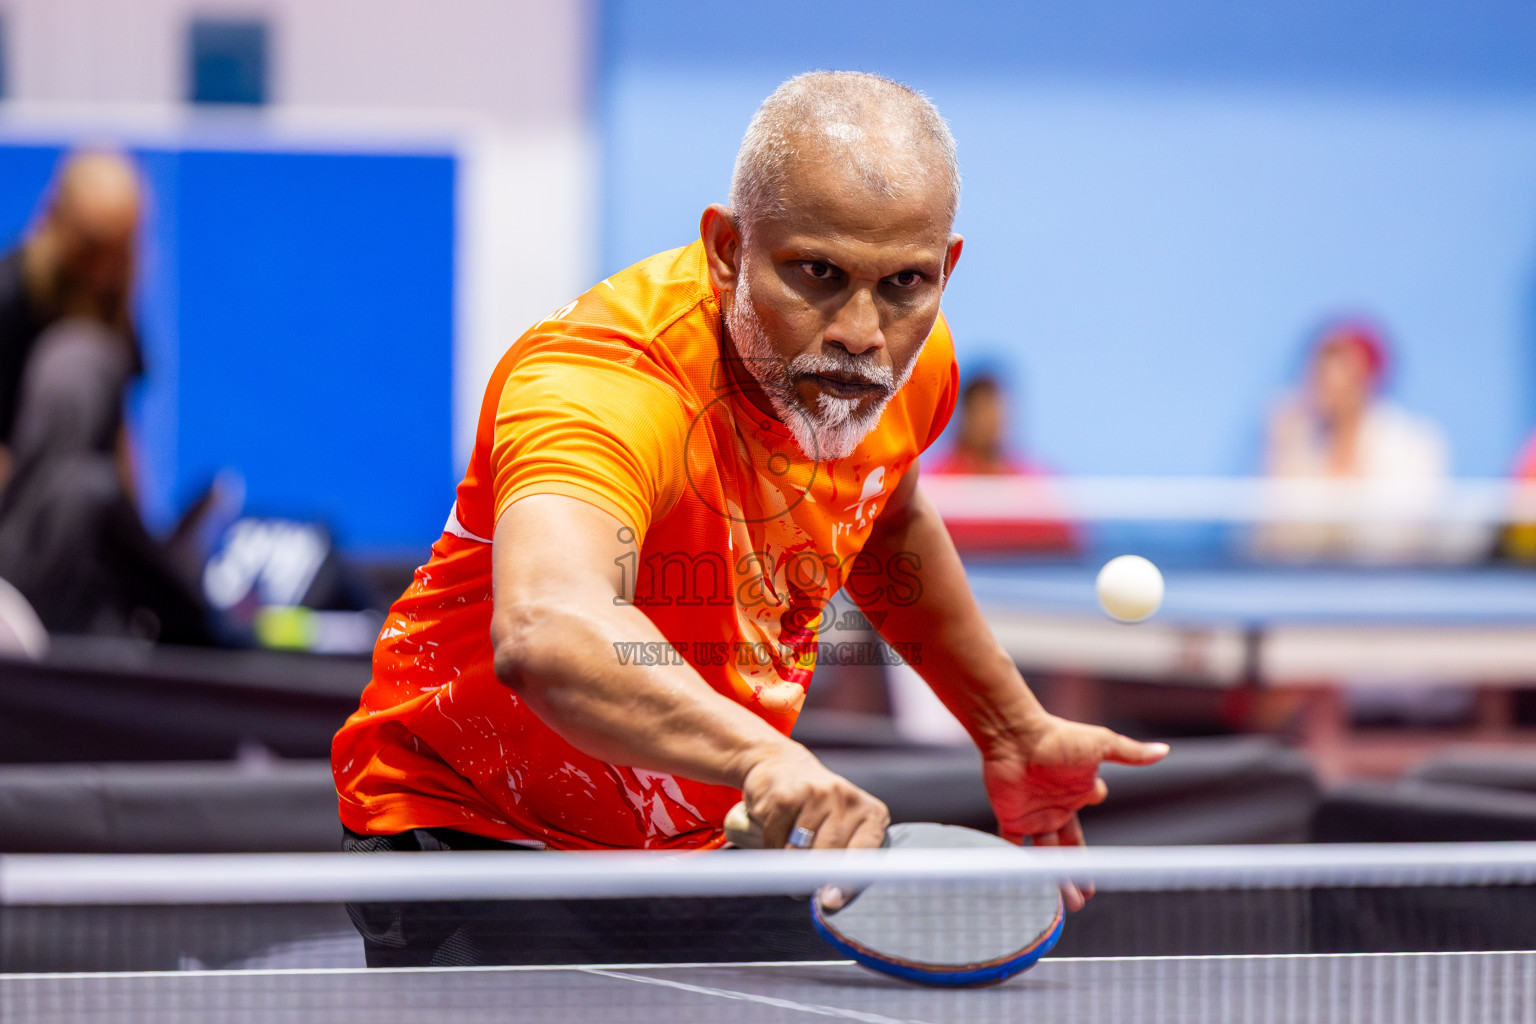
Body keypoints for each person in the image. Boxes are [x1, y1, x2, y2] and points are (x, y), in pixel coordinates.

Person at [331, 72, 1168, 966]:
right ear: (728, 248)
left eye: (904, 283)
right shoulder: (603, 381)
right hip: (477, 832)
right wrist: (765, 758)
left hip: (701, 833)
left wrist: (1009, 726)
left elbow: (886, 520)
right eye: (818, 274)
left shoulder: (909, 364)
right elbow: (549, 630)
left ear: (945, 269)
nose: (861, 331)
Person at [0, 152, 213, 642]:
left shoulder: (111, 301)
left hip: (79, 526)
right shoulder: (12, 297)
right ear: (57, 222)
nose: (104, 266)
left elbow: (119, 438)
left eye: (118, 250)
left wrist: (135, 541)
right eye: (92, 248)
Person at [1254, 319, 1456, 564]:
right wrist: (1282, 451)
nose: (1328, 384)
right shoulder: (1302, 445)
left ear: (1368, 378)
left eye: (1343, 372)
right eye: (1321, 373)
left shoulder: (1415, 444)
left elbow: (1410, 534)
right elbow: (1276, 540)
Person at [925, 371, 1078, 553]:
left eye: (996, 408)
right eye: (981, 409)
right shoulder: (936, 483)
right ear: (963, 415)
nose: (991, 418)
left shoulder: (1034, 482)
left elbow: (1065, 542)